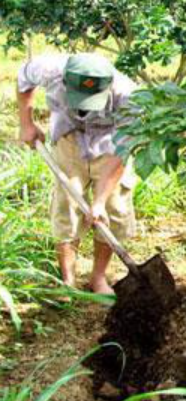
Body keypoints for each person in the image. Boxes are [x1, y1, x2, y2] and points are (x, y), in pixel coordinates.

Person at [17, 53, 137, 295]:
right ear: (65, 81)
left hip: (109, 144)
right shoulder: (49, 68)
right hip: (69, 135)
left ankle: (98, 278)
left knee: (114, 209)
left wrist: (100, 201)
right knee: (67, 204)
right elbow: (23, 81)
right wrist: (26, 123)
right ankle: (68, 279)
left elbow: (122, 151)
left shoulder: (129, 95)